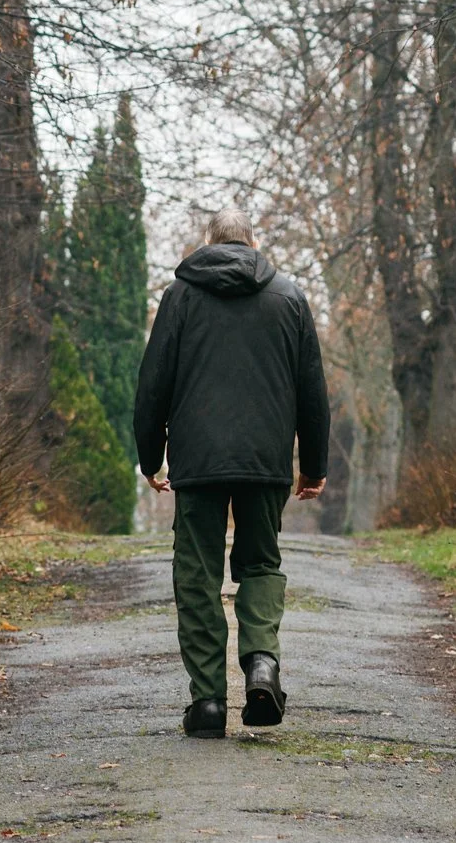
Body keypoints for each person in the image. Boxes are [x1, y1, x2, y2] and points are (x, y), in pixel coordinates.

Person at [133, 208, 330, 739]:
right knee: (261, 563)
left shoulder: (180, 297)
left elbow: (153, 385)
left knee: (197, 574)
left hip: (197, 463)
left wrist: (151, 459)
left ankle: (208, 705)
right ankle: (262, 663)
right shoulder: (288, 297)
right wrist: (312, 466)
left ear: (208, 242)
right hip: (265, 462)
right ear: (252, 242)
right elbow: (312, 391)